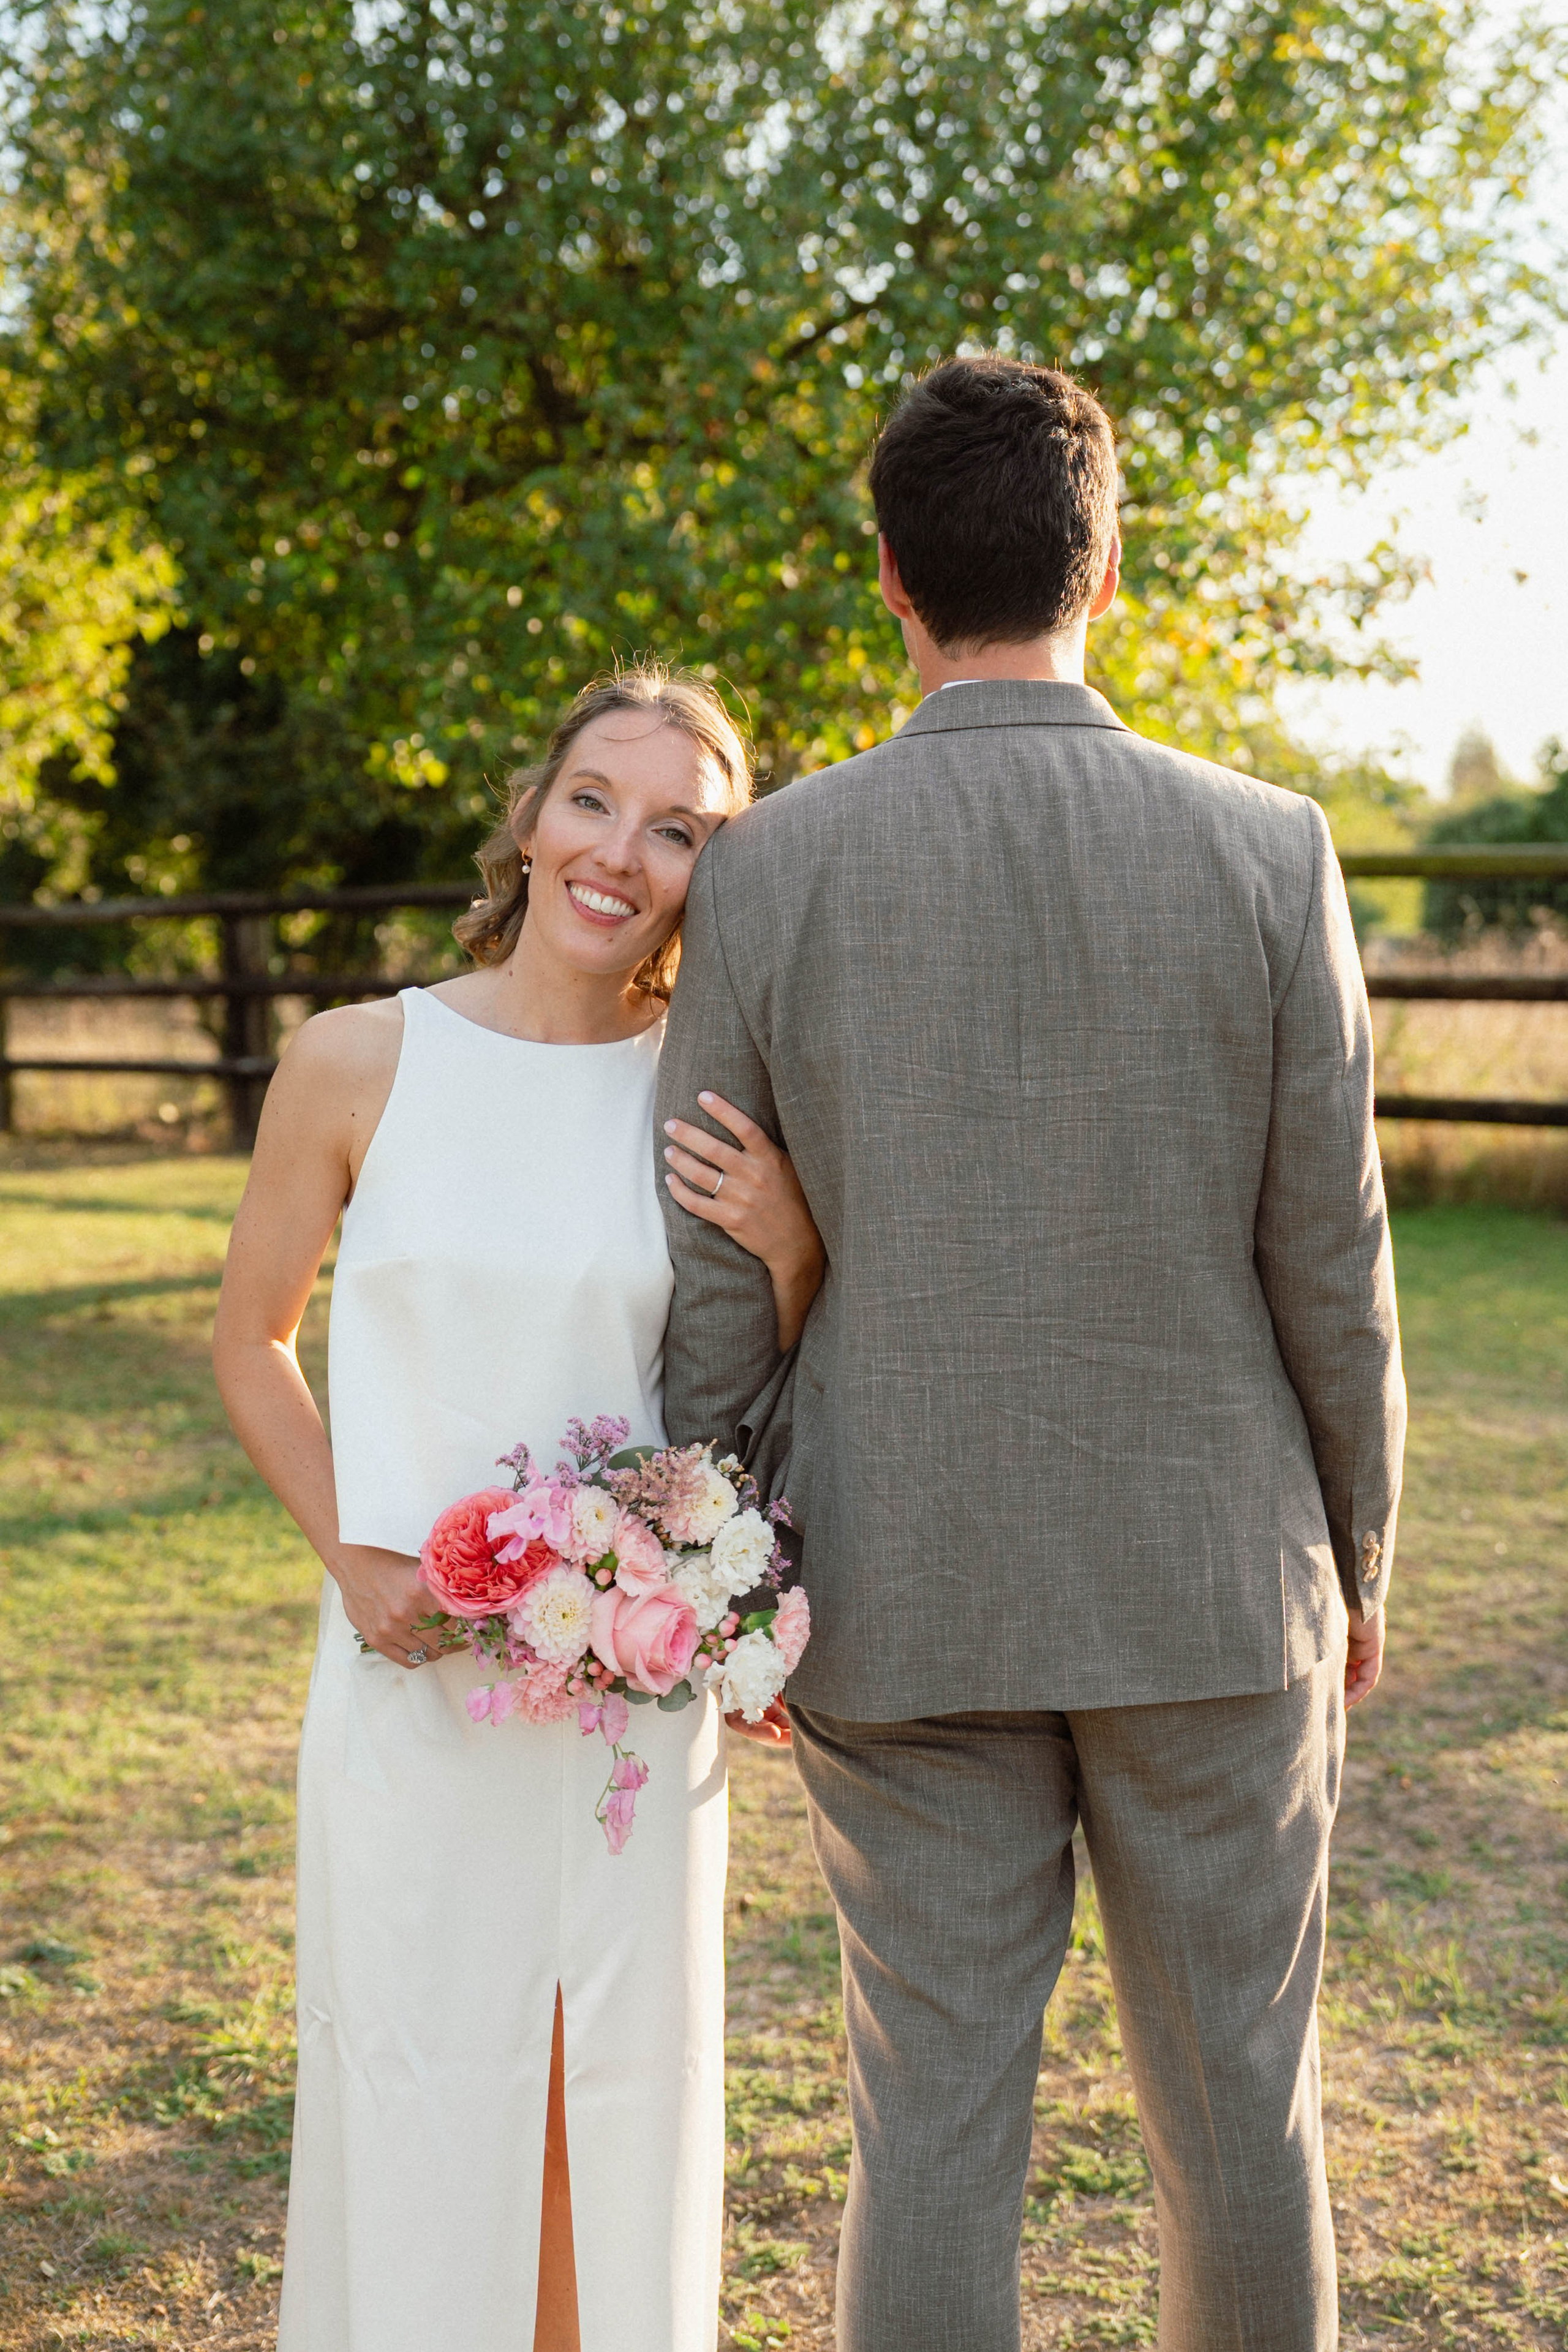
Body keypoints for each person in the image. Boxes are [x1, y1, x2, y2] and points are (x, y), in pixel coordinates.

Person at [657, 356, 1405, 2352]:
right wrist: (1361, 1557)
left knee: (933, 2125)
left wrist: (721, 1576)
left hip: (897, 1583)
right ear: (1111, 560)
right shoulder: (1271, 849)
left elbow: (716, 1263)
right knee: (1246, 2107)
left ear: (888, 578)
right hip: (1217, 1582)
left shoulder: (769, 869)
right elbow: (1334, 1263)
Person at [211, 662, 821, 2352]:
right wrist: (358, 1557)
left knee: (603, 2100)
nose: (623, 851)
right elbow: (251, 1342)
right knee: (422, 2086)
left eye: (681, 829)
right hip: (417, 1682)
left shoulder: (706, 1092)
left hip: (632, 1696)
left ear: (717, 872)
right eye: (595, 800)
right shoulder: (357, 1059)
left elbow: (755, 1373)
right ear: (534, 815)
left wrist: (790, 1241)